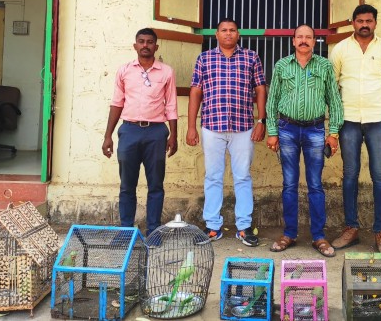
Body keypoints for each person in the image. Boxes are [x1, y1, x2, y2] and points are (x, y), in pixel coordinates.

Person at [186, 18, 267, 247]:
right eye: (224, 30)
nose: (228, 34)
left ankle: (243, 227)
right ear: (217, 34)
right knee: (213, 176)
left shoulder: (251, 57)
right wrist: (192, 126)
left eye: (232, 30)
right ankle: (212, 227)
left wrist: (261, 120)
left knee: (242, 176)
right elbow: (195, 92)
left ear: (238, 34)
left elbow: (260, 89)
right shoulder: (205, 58)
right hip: (212, 126)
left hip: (243, 127)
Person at [266, 24, 344, 258]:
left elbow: (335, 100)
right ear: (293, 41)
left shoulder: (325, 66)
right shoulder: (281, 66)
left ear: (314, 41)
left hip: (315, 131)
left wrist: (334, 132)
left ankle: (319, 236)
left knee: (315, 185)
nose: (303, 40)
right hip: (287, 129)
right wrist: (272, 131)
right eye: (299, 37)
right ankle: (289, 233)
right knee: (289, 184)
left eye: (308, 37)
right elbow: (272, 101)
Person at [330, 4, 381, 253]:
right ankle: (351, 228)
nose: (364, 25)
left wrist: (376, 105)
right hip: (348, 121)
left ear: (375, 23)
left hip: (378, 121)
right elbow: (332, 87)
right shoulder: (340, 49)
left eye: (369, 21)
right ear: (353, 23)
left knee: (379, 177)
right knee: (350, 176)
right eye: (360, 21)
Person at [102, 28, 178, 236]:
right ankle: (126, 232)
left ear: (156, 46)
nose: (145, 45)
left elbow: (171, 105)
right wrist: (108, 135)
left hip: (156, 133)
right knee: (127, 185)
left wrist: (173, 136)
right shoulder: (124, 70)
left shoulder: (166, 72)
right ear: (135, 45)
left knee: (156, 185)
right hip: (129, 131)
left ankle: (153, 231)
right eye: (141, 41)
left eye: (150, 42)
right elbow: (117, 103)